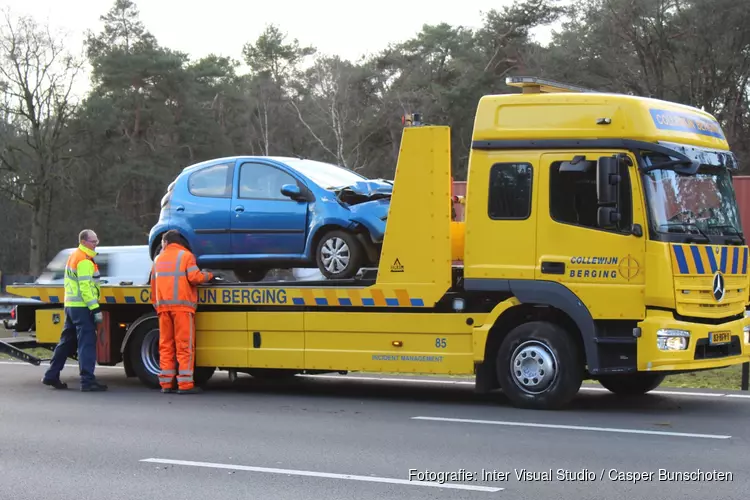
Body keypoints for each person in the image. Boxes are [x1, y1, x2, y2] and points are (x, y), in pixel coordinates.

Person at [42, 229, 108, 392]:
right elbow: (85, 287)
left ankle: (51, 375)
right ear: (84, 241)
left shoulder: (74, 256)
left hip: (71, 306)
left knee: (65, 342)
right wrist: (95, 308)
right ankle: (87, 381)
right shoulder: (85, 260)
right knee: (86, 344)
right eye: (93, 241)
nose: (96, 243)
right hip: (82, 308)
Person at [150, 230, 214, 394]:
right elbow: (195, 278)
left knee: (165, 345)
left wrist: (157, 305)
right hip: (182, 308)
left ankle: (166, 384)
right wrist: (210, 275)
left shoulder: (158, 259)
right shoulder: (186, 256)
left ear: (166, 242)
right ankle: (185, 385)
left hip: (163, 309)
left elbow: (153, 285)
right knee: (184, 345)